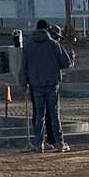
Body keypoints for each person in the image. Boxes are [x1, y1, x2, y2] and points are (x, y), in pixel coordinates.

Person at [21, 16, 71, 150]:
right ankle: (60, 143)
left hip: (36, 85)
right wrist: (72, 58)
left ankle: (39, 144)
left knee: (39, 116)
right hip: (52, 84)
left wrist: (23, 83)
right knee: (55, 115)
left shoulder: (28, 44)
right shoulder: (53, 44)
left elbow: (23, 66)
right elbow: (65, 63)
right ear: (48, 30)